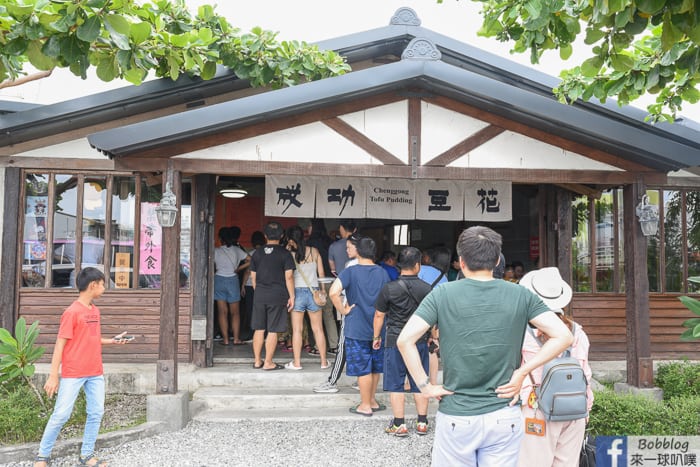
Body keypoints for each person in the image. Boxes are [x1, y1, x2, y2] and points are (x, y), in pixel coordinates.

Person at [397, 226, 573, 467]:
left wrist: (425, 386)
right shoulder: (520, 294)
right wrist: (522, 372)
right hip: (504, 412)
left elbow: (404, 340)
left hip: (457, 413)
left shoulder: (442, 294)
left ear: (460, 261)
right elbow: (563, 336)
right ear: (498, 259)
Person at [34, 267, 130, 467]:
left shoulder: (94, 310)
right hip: (73, 373)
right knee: (61, 415)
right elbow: (60, 344)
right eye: (103, 284)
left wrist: (113, 341)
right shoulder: (71, 312)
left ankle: (86, 455)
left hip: (95, 372)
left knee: (96, 413)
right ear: (93, 285)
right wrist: (53, 376)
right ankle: (42, 456)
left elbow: (92, 339)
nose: (104, 288)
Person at [517, 267, 594, 467]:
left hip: (538, 408)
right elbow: (585, 374)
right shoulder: (578, 333)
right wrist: (586, 408)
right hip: (575, 409)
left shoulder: (524, 335)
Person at [373, 246, 432, 436]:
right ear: (418, 265)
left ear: (399, 265)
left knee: (395, 383)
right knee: (420, 380)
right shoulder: (427, 288)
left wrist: (376, 337)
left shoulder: (389, 288)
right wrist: (435, 336)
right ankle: (422, 423)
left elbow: (379, 315)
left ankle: (399, 424)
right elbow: (433, 317)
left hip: (394, 340)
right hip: (419, 340)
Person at [329, 236, 390, 416]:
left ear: (359, 252)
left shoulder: (351, 271)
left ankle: (365, 405)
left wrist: (344, 310)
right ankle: (372, 400)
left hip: (356, 326)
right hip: (379, 327)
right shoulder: (382, 273)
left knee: (363, 367)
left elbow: (333, 292)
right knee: (376, 366)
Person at [313, 235, 360, 393]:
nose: (346, 250)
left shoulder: (350, 266)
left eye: (349, 247)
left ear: (358, 248)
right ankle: (362, 381)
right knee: (365, 347)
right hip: (369, 312)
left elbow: (335, 292)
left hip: (351, 309)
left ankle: (332, 382)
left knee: (343, 347)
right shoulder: (377, 269)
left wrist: (342, 309)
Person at [250, 222, 296, 371]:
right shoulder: (285, 253)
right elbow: (289, 277)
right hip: (277, 294)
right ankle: (268, 362)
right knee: (273, 329)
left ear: (265, 235)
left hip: (260, 294)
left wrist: (260, 292)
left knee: (259, 328)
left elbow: (253, 277)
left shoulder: (257, 253)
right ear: (282, 236)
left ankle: (257, 361)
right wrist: (292, 296)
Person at [284, 225, 329, 370]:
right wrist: (322, 292)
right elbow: (321, 274)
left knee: (297, 330)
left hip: (296, 293)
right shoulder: (314, 251)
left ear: (291, 240)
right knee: (318, 329)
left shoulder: (288, 254)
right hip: (314, 292)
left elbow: (287, 275)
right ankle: (323, 362)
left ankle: (297, 363)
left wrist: (286, 248)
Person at [306, 219, 339, 356]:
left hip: (316, 283)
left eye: (309, 225)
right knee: (329, 314)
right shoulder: (331, 242)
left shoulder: (309, 244)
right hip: (332, 282)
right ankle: (334, 345)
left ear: (313, 227)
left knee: (315, 315)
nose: (308, 228)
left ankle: (318, 347)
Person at [214, 226, 250, 345]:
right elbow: (251, 260)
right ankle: (235, 339)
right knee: (235, 313)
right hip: (233, 281)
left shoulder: (216, 251)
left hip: (219, 280)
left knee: (222, 312)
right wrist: (239, 268)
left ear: (220, 239)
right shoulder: (237, 250)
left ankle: (225, 340)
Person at [240, 230, 266, 342]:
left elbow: (247, 271)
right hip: (264, 285)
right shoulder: (267, 252)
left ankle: (253, 333)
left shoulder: (251, 254)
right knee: (264, 309)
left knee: (251, 309)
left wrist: (243, 285)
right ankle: (265, 334)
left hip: (251, 285)